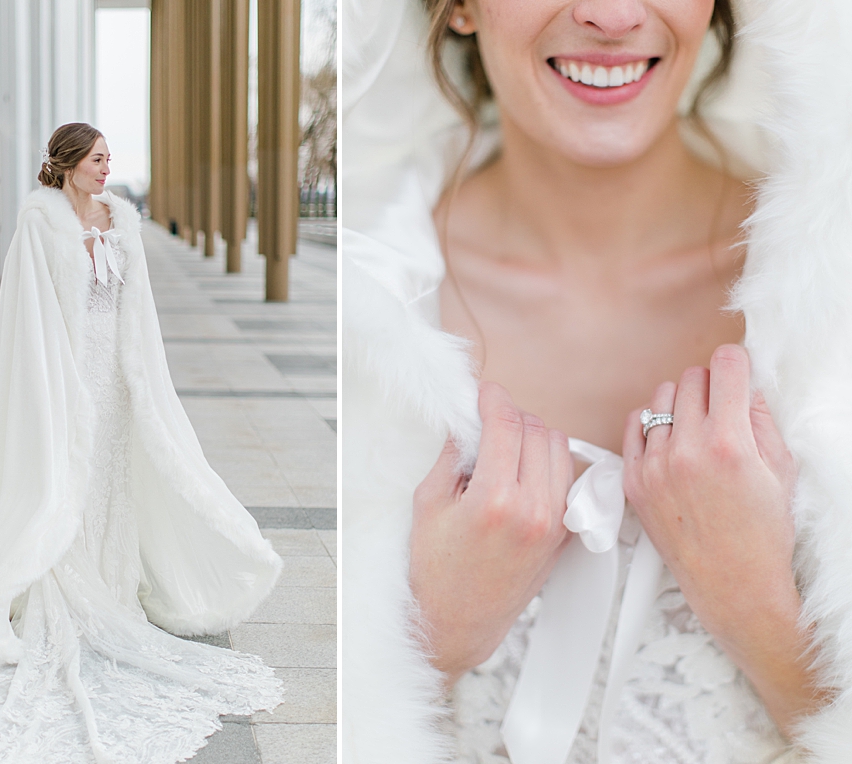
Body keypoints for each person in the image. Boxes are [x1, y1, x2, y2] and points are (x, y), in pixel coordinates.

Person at [343, 0, 852, 762]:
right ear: (459, 9)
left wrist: (765, 622)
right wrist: (426, 645)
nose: (611, 15)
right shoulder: (367, 315)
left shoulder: (831, 292)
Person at [0, 123, 284, 764]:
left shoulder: (123, 223)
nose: (107, 169)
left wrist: (141, 381)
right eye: (98, 159)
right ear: (69, 163)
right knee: (66, 476)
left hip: (116, 376)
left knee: (112, 477)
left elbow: (141, 309)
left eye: (110, 160)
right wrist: (56, 386)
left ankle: (115, 587)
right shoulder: (39, 226)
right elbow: (28, 317)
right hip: (66, 375)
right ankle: (61, 592)